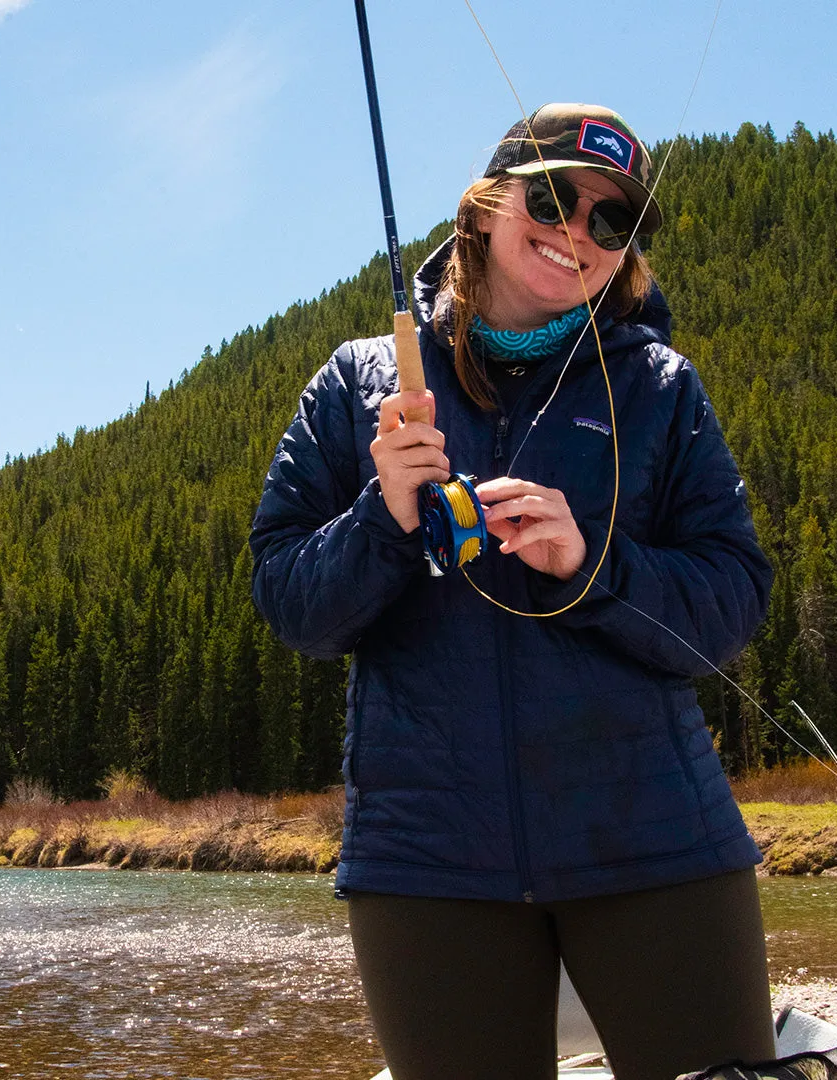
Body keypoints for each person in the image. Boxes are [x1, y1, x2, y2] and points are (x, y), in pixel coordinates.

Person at [250, 103, 776, 1080]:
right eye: (550, 198)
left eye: (611, 222)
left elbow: (733, 600)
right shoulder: (355, 383)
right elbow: (291, 604)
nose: (577, 231)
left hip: (659, 849)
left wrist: (594, 563)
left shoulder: (662, 388)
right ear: (487, 207)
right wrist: (383, 517)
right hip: (428, 867)